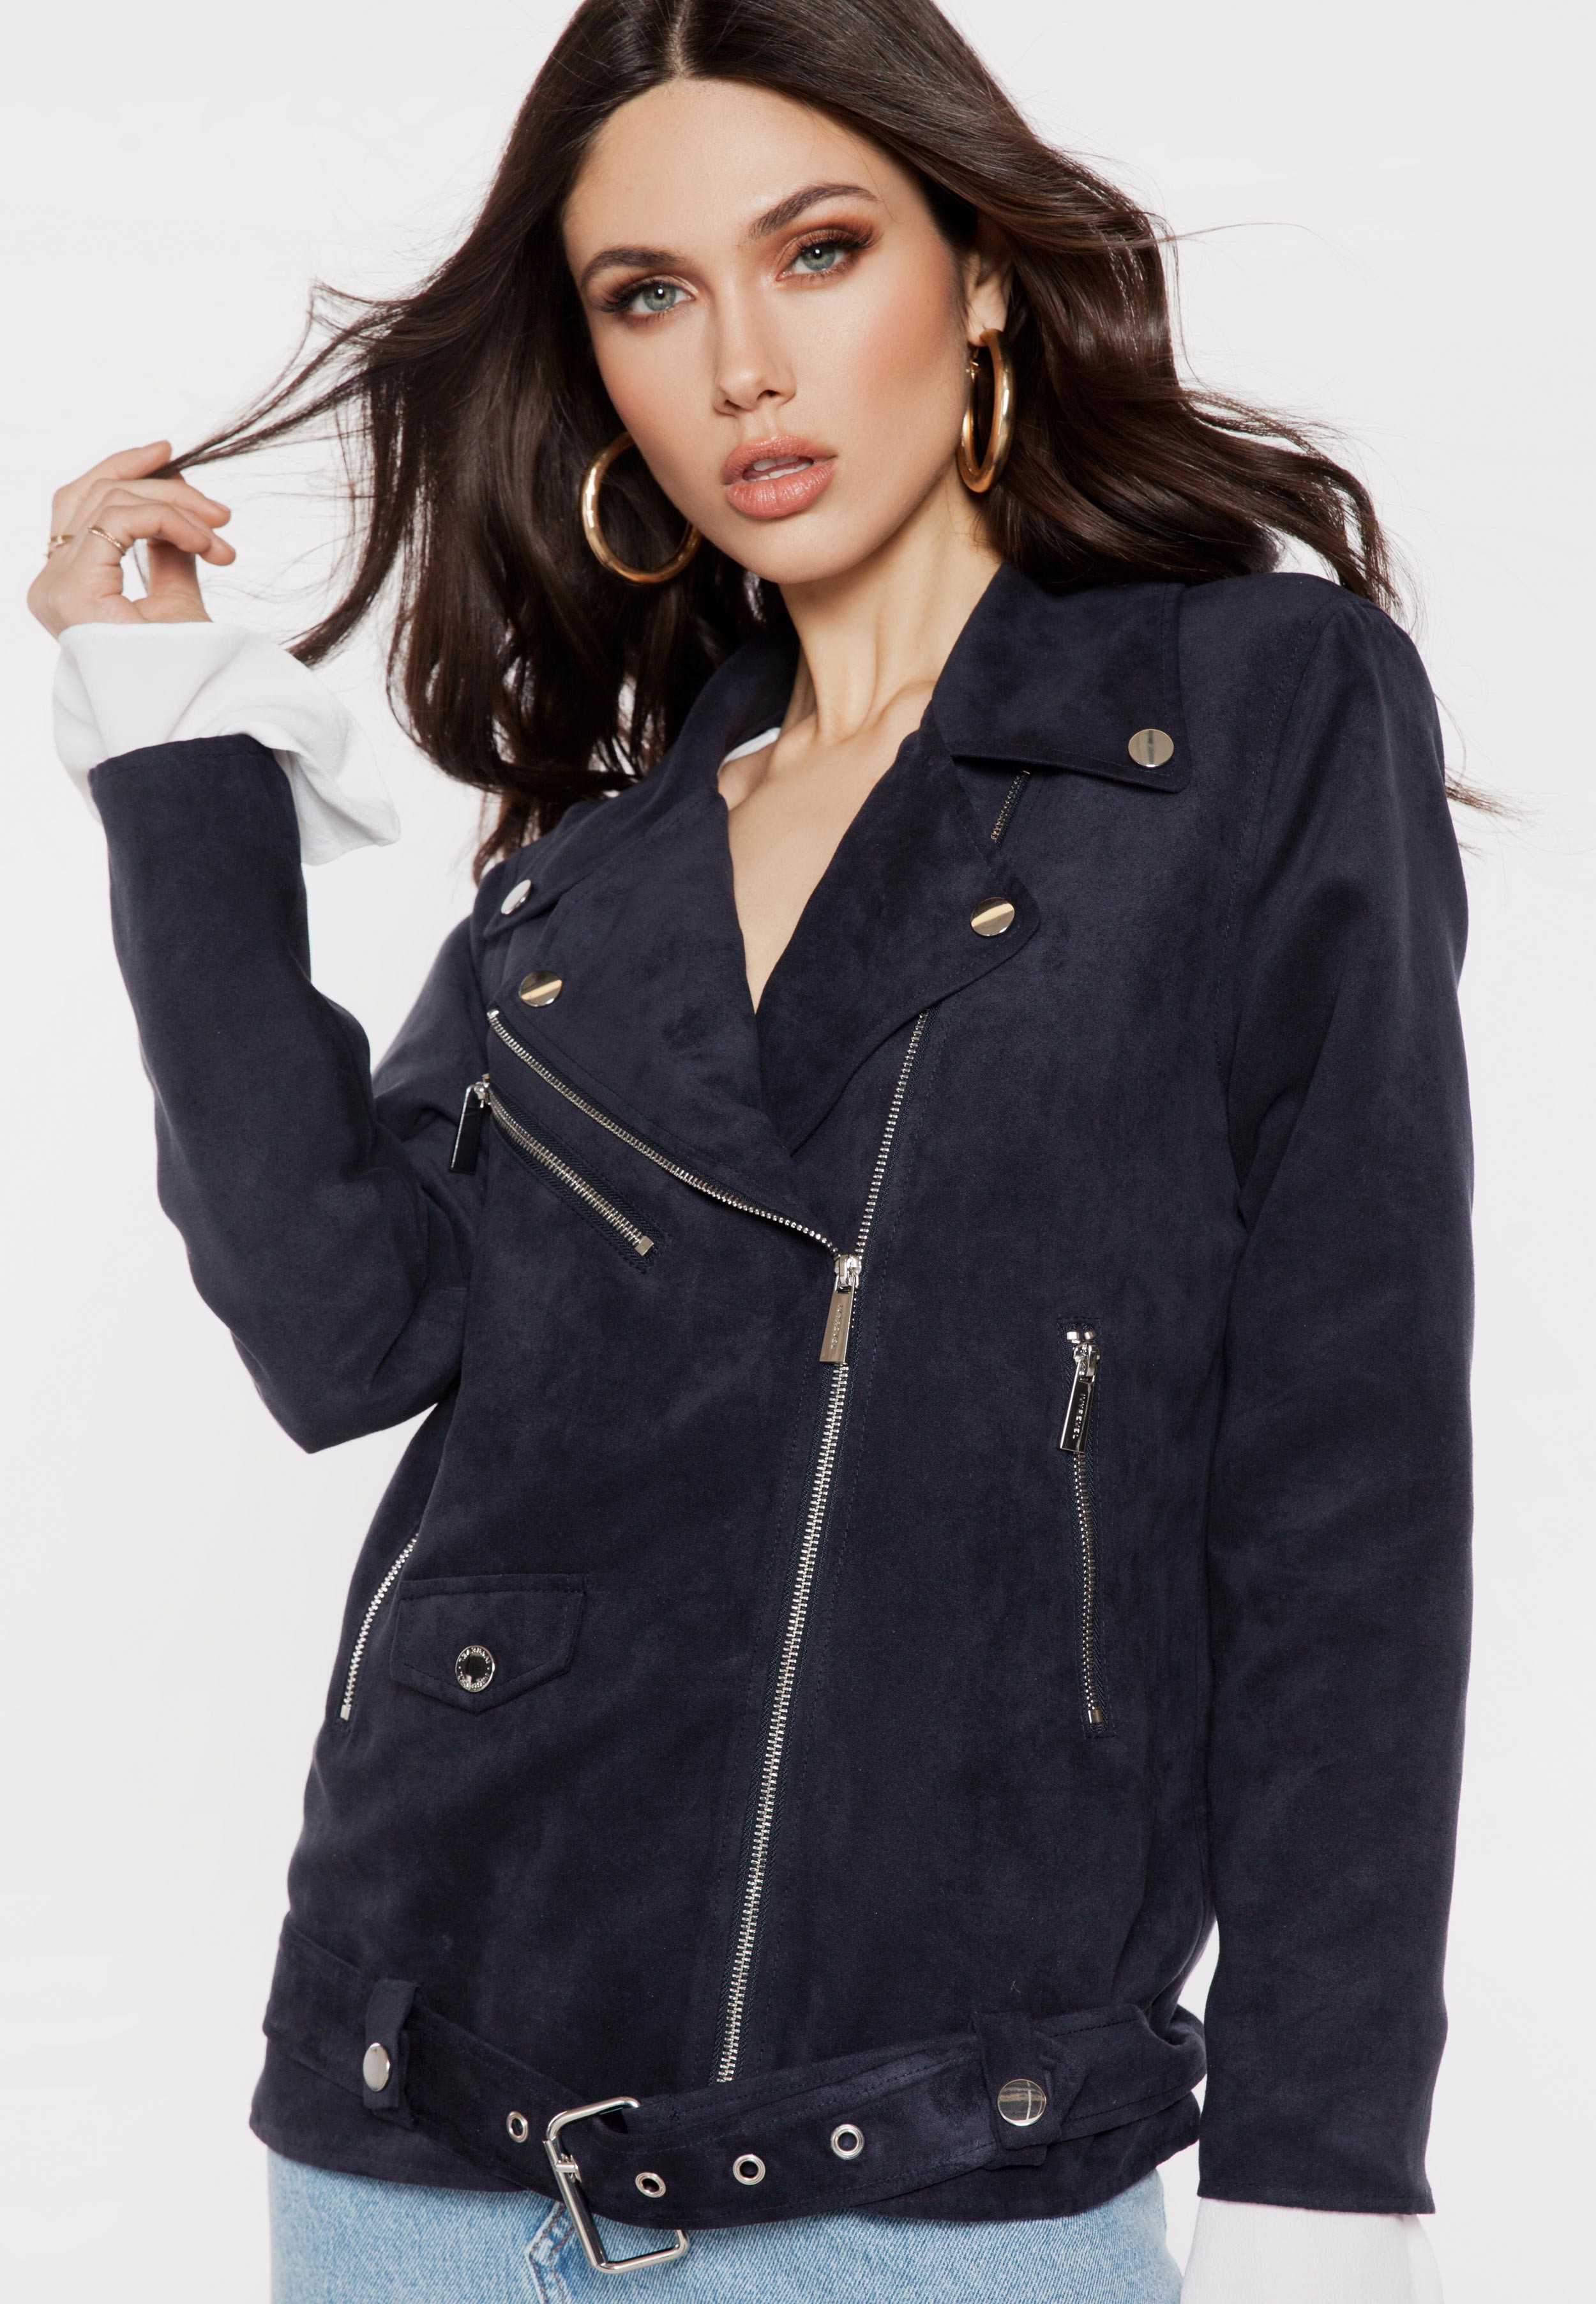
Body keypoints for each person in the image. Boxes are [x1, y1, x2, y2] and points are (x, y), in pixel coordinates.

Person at [27, 3, 1470, 2298]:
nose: (741, 371)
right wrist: (165, 754)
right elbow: (338, 1332)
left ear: (976, 277)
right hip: (420, 2145)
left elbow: (1345, 1469)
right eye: (647, 295)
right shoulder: (585, 885)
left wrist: (1324, 2166)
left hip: (949, 2174)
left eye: (816, 251)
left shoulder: (1247, 716)